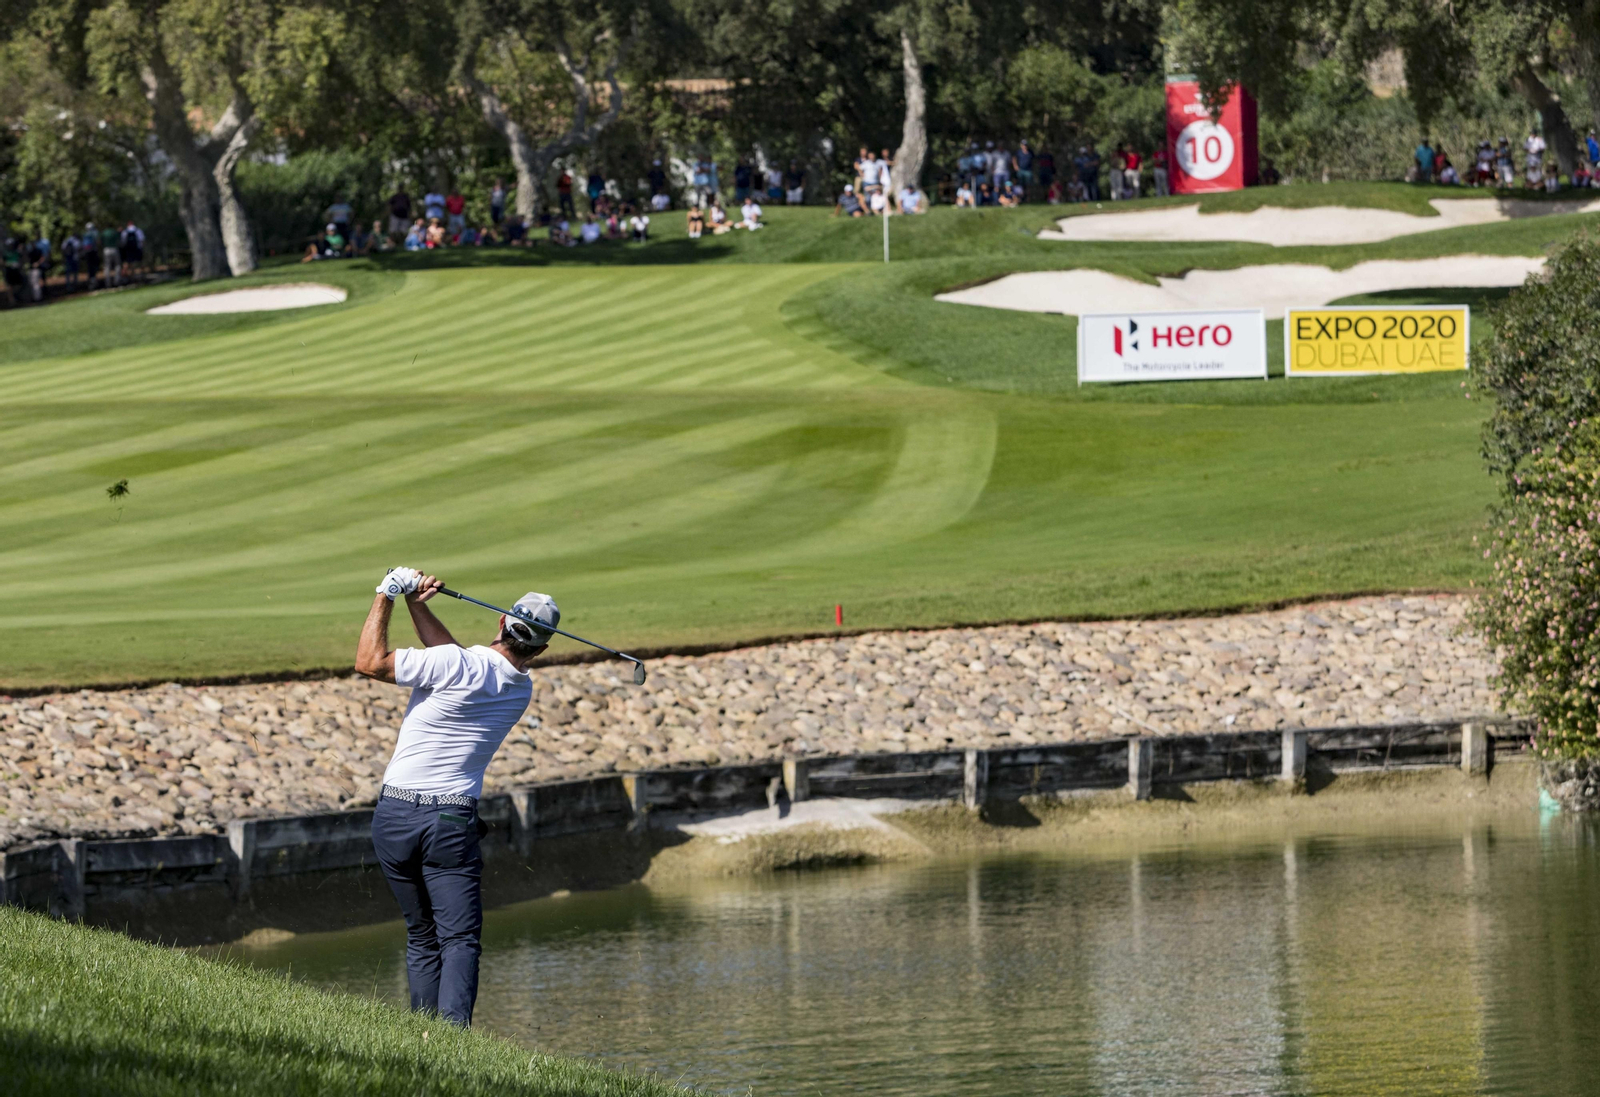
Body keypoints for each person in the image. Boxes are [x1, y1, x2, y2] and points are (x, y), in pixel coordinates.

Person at [356, 568, 557, 1028]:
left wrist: (387, 594)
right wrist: (418, 604)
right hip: (450, 821)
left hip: (395, 817)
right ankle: (451, 1037)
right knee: (459, 939)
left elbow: (369, 662)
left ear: (503, 621)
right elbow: (457, 658)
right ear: (541, 649)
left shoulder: (456, 665)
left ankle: (425, 1033)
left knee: (422, 934)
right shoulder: (518, 689)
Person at [100, 221, 122, 288]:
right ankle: (117, 281)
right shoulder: (114, 232)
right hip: (114, 249)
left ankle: (108, 283)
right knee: (117, 265)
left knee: (107, 266)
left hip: (106, 250)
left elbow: (100, 242)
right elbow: (119, 240)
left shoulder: (104, 232)